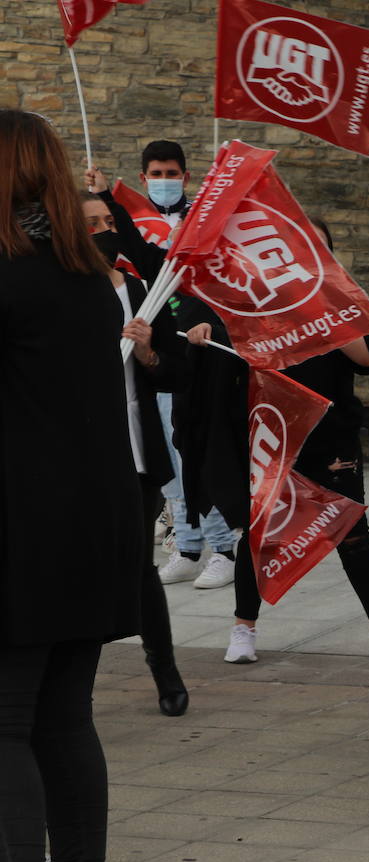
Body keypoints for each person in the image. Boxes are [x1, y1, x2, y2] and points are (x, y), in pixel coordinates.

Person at [0, 108, 143, 862]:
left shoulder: (10, 271)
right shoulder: (89, 275)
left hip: (23, 527)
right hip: (90, 521)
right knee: (62, 719)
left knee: (8, 724)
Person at [193, 216, 369, 665]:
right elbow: (224, 340)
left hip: (330, 434)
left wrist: (325, 312)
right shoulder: (254, 300)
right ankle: (243, 628)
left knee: (352, 533)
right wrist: (204, 331)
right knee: (259, 535)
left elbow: (368, 358)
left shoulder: (342, 299)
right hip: (272, 433)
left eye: (314, 245)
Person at [86, 151, 239, 589]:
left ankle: (222, 546)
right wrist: (104, 197)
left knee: (194, 452)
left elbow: (217, 283)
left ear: (186, 177)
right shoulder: (133, 221)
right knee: (166, 459)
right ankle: (187, 545)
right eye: (157, 175)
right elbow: (138, 252)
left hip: (197, 353)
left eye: (172, 175)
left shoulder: (205, 224)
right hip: (152, 349)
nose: (165, 181)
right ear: (144, 177)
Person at [81, 192, 190, 717]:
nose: (105, 231)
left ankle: (164, 670)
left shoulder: (142, 290)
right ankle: (74, 679)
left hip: (138, 448)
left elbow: (171, 369)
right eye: (92, 224)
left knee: (141, 567)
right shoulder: (66, 293)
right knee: (80, 565)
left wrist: (148, 350)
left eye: (108, 222)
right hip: (84, 452)